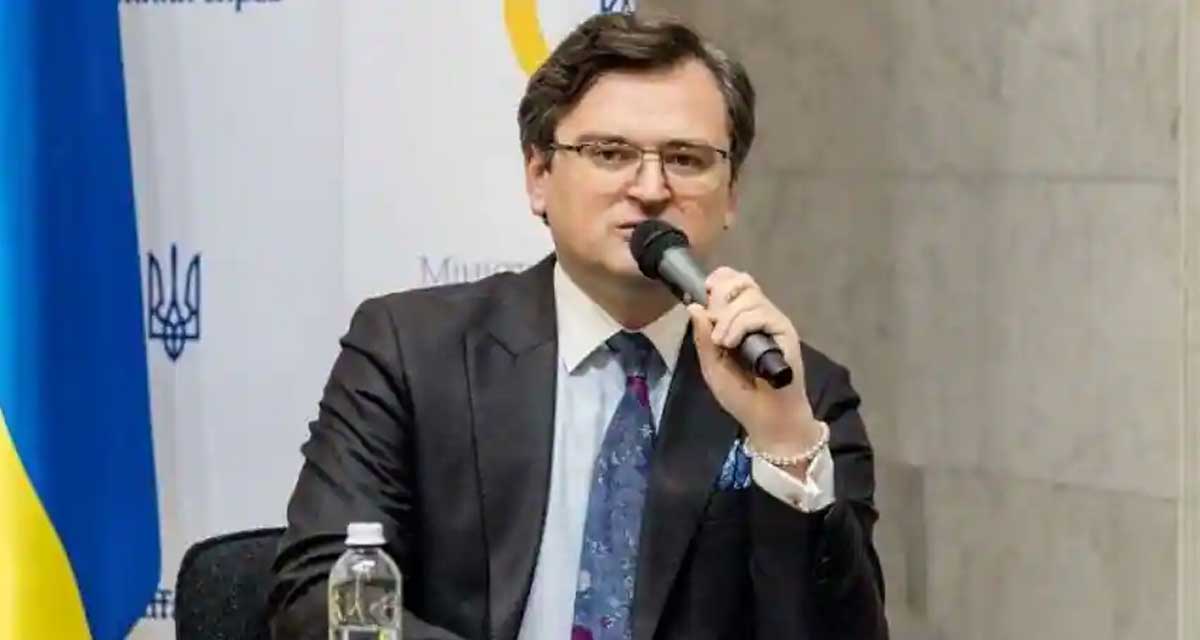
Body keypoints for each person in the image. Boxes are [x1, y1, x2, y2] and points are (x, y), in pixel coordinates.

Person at [268, 12, 887, 640]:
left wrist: (782, 444)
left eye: (686, 159)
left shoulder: (798, 393)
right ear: (539, 175)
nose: (651, 188)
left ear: (730, 194)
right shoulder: (412, 352)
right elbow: (321, 596)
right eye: (611, 153)